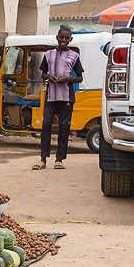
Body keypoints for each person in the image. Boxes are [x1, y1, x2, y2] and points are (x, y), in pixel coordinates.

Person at [32, 25, 83, 170]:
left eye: (67, 38)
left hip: (67, 97)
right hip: (51, 96)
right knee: (46, 124)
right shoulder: (48, 54)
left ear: (70, 39)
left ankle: (59, 160)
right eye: (61, 37)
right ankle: (43, 160)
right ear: (57, 38)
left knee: (64, 127)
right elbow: (42, 73)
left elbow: (79, 78)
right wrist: (50, 77)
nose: (64, 40)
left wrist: (67, 79)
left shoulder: (74, 56)